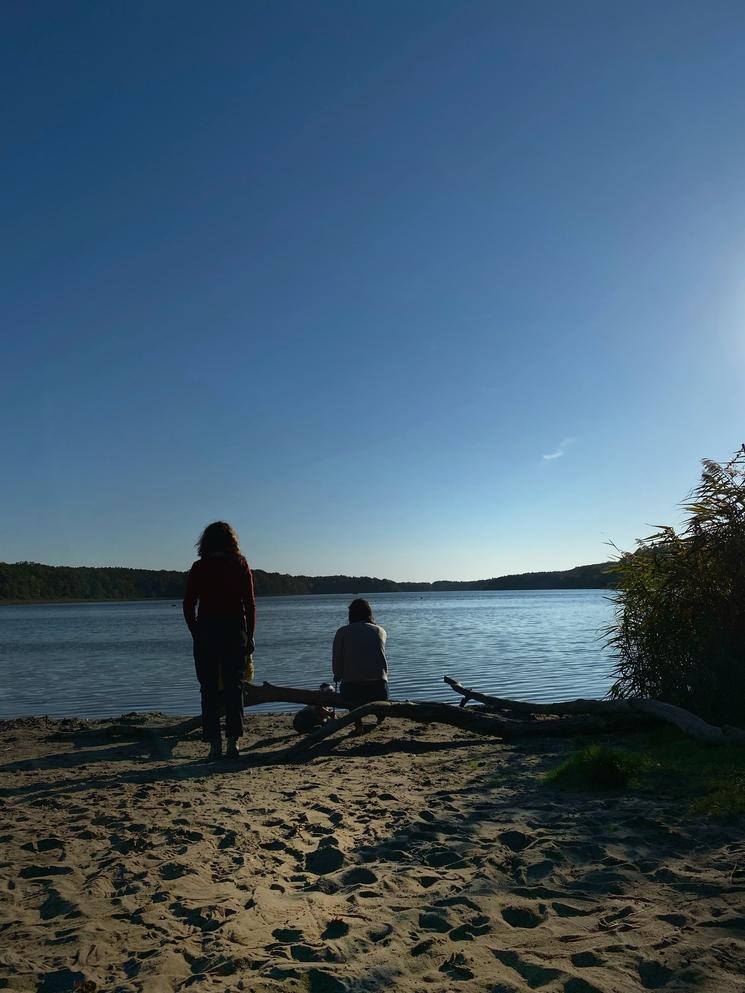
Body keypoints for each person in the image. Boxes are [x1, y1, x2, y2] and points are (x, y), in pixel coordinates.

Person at [183, 521, 256, 761]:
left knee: (209, 689)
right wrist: (250, 635)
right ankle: (233, 744)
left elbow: (188, 604)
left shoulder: (199, 567)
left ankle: (214, 745)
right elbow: (249, 603)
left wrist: (196, 631)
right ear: (231, 541)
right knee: (234, 689)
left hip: (207, 632)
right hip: (235, 631)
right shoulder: (240, 564)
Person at [332, 598, 388, 734]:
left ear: (351, 614)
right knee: (380, 690)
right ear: (369, 613)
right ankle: (380, 717)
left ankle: (358, 724)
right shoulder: (380, 631)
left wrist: (337, 675)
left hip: (352, 688)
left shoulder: (342, 632)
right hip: (378, 687)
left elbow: (337, 658)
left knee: (350, 696)